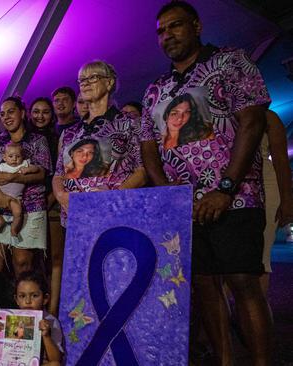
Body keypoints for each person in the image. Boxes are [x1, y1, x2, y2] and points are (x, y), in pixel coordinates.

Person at [139, 2, 272, 364]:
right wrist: (169, 194)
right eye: (162, 31)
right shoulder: (156, 89)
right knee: (203, 287)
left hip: (236, 197)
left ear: (196, 26)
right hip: (185, 207)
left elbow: (252, 122)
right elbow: (149, 148)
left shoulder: (231, 62)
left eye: (176, 26)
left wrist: (226, 188)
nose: (168, 36)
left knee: (242, 281)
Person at [54, 60, 145, 225]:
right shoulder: (70, 133)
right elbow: (58, 175)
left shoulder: (130, 123)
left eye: (93, 77)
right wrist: (61, 196)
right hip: (75, 217)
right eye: (82, 80)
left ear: (109, 82)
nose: (86, 83)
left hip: (115, 214)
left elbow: (142, 170)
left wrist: (111, 197)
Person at [0, 96, 51, 286]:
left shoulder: (38, 140)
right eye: (2, 114)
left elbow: (41, 173)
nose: (6, 117)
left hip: (29, 207)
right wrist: (0, 196)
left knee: (23, 263)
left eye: (11, 111)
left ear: (22, 113)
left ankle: (22, 313)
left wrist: (14, 177)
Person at [0, 271, 63, 366]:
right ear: (16, 299)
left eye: (34, 296)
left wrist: (46, 336)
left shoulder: (51, 321)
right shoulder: (10, 318)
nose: (27, 301)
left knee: (55, 365)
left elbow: (56, 359)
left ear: (45, 299)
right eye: (22, 296)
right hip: (11, 363)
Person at [260, 110, 293, 295]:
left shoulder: (268, 116)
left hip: (265, 185)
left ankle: (255, 316)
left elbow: (281, 161)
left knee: (260, 257)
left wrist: (287, 201)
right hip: (224, 190)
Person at [0, 142, 40, 236]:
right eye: (10, 156)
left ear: (22, 157)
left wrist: (29, 170)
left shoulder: (24, 164)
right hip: (1, 196)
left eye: (18, 156)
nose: (14, 159)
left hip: (15, 198)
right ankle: (0, 220)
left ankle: (14, 228)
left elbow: (37, 169)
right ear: (4, 157)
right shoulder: (2, 166)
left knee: (18, 212)